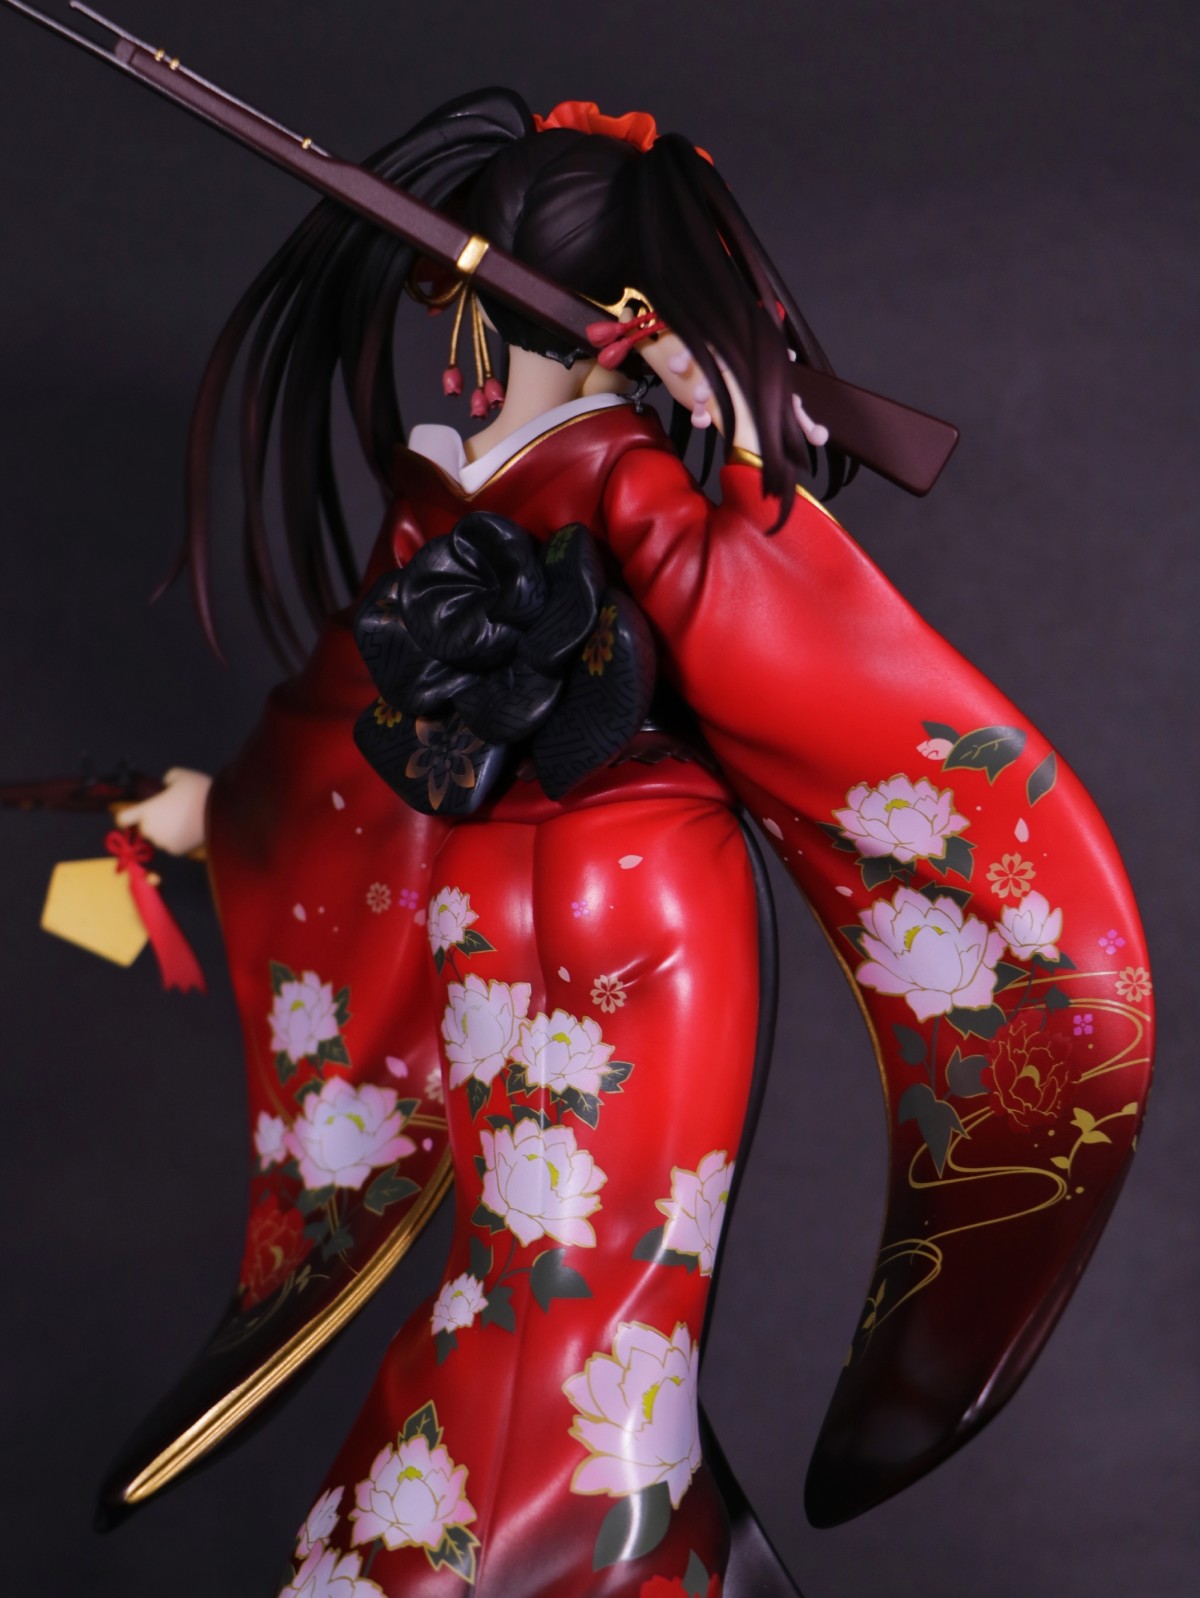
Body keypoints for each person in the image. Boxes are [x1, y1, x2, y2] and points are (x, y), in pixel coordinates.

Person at [113, 92, 1152, 1596]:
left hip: (526, 898)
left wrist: (219, 812)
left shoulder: (493, 492)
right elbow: (778, 652)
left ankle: (463, 1547)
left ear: (482, 309)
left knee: (537, 1272)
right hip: (615, 899)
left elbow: (345, 726)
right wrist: (752, 471)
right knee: (586, 1289)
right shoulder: (579, 481)